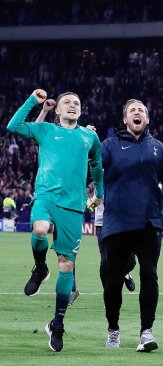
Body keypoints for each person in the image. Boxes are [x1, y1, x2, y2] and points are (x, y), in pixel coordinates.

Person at [7, 89, 103, 352]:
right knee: (39, 229)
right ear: (58, 110)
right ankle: (40, 268)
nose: (72, 105)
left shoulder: (88, 136)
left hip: (73, 206)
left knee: (66, 265)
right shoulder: (46, 130)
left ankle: (57, 324)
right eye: (67, 103)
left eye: (77, 102)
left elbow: (96, 164)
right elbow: (13, 125)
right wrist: (33, 101)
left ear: (81, 110)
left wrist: (100, 191)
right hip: (46, 197)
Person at [101, 99, 163, 352]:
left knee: (149, 274)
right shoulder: (109, 146)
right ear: (125, 120)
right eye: (132, 111)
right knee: (112, 280)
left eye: (142, 110)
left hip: (149, 223)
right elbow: (92, 166)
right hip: (116, 223)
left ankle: (146, 332)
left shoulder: (159, 149)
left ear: (147, 119)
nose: (137, 113)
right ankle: (113, 329)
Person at [34, 103, 136, 306]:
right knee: (89, 256)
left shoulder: (127, 165)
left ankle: (125, 273)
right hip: (102, 217)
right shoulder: (101, 154)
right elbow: (90, 157)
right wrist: (82, 137)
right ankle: (73, 288)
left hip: (125, 217)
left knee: (130, 258)